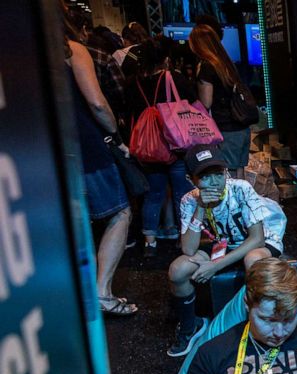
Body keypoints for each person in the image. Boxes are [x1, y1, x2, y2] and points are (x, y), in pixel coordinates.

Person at [167, 145, 287, 357]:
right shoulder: (189, 200)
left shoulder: (240, 188)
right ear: (191, 179)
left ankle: (260, 327)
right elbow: (188, 248)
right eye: (205, 176)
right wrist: (201, 207)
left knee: (253, 260)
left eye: (218, 174)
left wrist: (215, 266)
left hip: (259, 242)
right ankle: (191, 325)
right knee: (178, 270)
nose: (214, 182)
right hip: (220, 245)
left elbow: (257, 238)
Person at [64, 13, 136, 317]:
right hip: (83, 147)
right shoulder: (71, 50)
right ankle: (101, 294)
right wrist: (116, 136)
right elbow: (96, 102)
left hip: (36, 153)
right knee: (119, 211)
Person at [124, 36, 197, 257]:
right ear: (166, 59)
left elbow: (126, 112)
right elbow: (193, 103)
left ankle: (150, 242)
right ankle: (184, 239)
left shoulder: (132, 83)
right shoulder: (174, 78)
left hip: (147, 149)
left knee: (153, 194)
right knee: (182, 194)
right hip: (174, 146)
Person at [190, 25, 254, 176]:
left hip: (226, 128)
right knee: (239, 174)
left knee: (227, 176)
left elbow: (206, 103)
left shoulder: (206, 66)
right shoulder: (226, 62)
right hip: (242, 126)